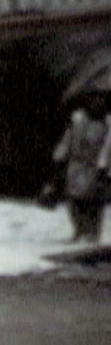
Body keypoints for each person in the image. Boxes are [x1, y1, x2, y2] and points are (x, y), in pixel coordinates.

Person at [49, 93, 111, 244]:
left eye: (101, 100)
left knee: (93, 201)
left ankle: (92, 234)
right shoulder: (77, 119)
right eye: (94, 99)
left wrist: (104, 167)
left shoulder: (108, 123)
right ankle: (79, 231)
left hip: (95, 166)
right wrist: (59, 156)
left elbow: (108, 147)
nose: (97, 103)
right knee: (74, 199)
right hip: (76, 165)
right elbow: (67, 139)